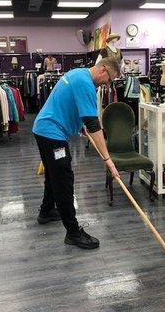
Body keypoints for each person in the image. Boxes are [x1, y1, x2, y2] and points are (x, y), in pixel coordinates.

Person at [32, 57, 120, 250]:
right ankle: (73, 233)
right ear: (103, 70)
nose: (107, 84)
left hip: (43, 129)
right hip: (52, 134)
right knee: (63, 179)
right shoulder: (85, 83)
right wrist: (108, 160)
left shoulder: (78, 73)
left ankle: (46, 212)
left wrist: (81, 126)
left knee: (53, 175)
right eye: (109, 79)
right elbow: (93, 123)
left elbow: (77, 112)